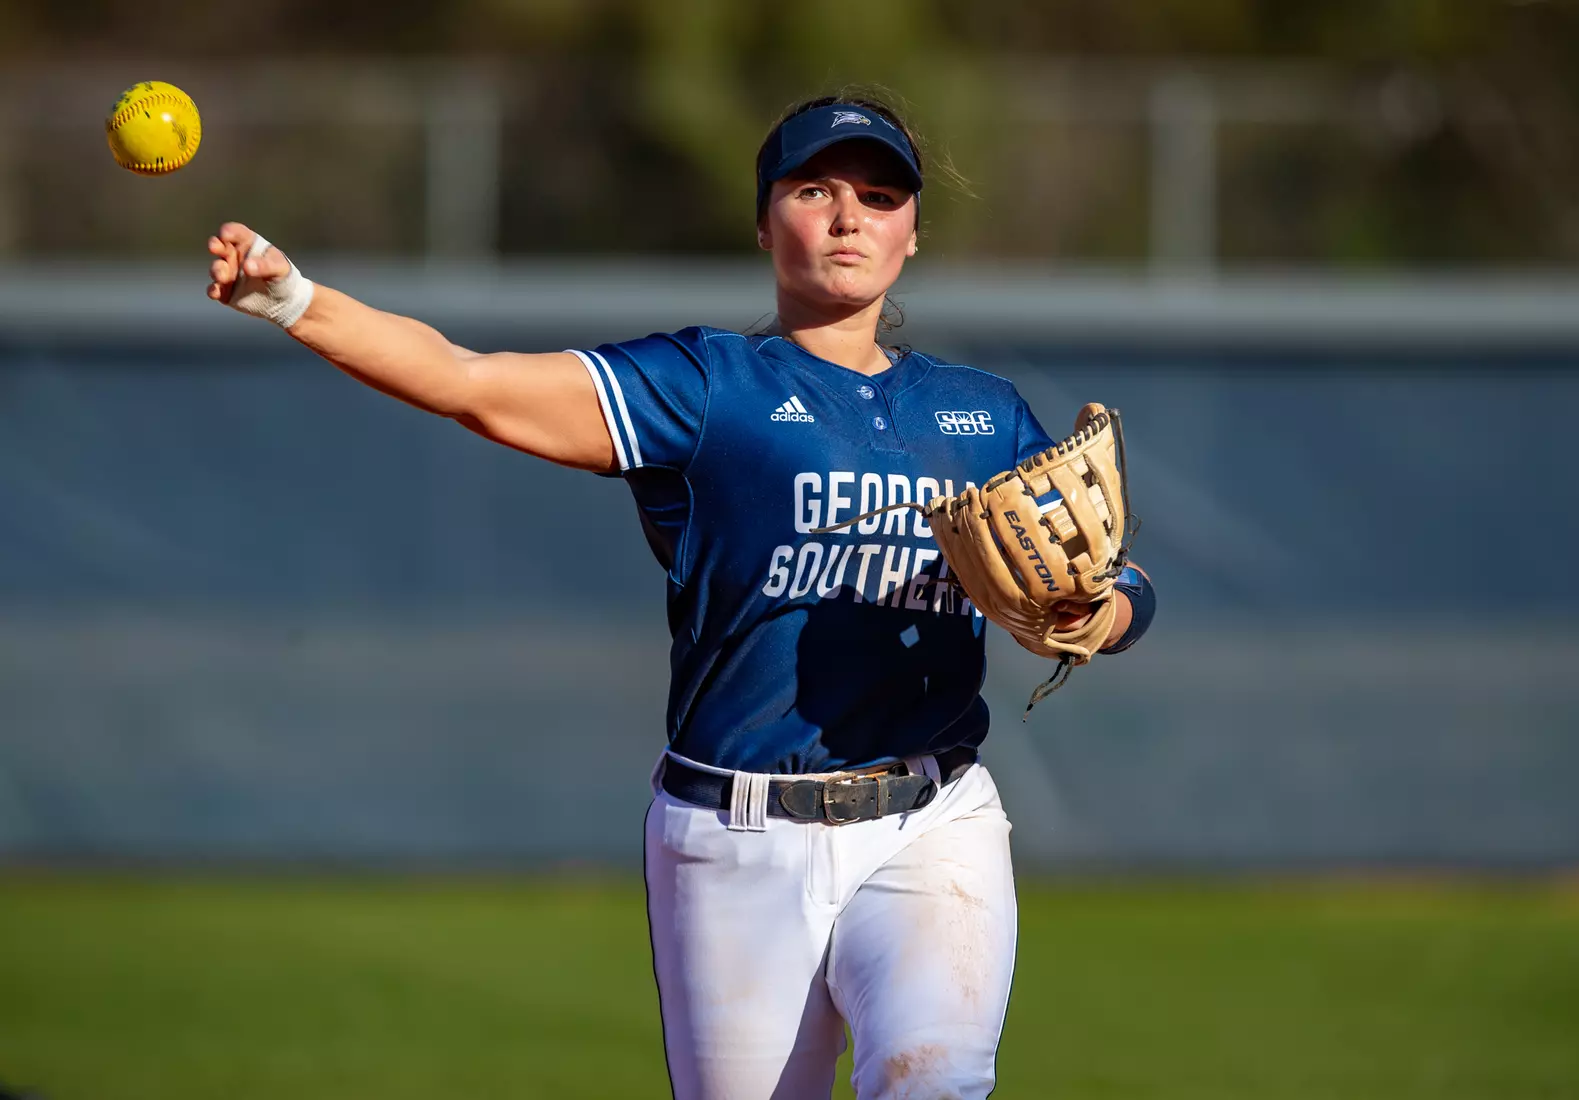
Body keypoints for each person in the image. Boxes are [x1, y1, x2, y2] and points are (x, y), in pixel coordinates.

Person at [205, 92, 1156, 1100]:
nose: (848, 216)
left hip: (930, 815)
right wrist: (294, 300)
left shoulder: (981, 413)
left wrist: (1103, 612)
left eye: (880, 197)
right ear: (763, 221)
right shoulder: (706, 384)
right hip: (733, 835)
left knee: (936, 1077)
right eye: (815, 189)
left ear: (912, 233)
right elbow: (472, 380)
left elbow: (1118, 577)